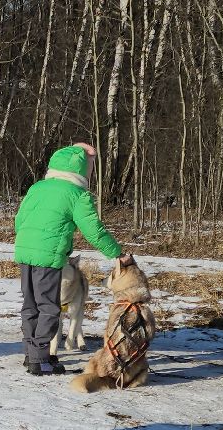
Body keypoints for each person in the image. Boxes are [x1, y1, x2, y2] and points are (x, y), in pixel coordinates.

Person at [13, 143, 133, 375]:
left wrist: (29, 242)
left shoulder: (38, 187)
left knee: (30, 305)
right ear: (81, 171)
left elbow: (20, 219)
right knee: (49, 307)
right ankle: (40, 360)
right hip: (48, 256)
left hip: (25, 252)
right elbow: (94, 231)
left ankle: (31, 354)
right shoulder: (77, 195)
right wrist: (117, 253)